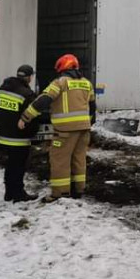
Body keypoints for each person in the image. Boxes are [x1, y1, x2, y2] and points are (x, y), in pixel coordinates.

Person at [19, 53, 96, 200]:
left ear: (62, 67)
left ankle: (60, 193)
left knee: (59, 160)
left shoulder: (60, 83)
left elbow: (44, 100)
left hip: (65, 131)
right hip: (84, 130)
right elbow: (92, 107)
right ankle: (78, 190)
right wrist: (88, 123)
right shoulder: (87, 83)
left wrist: (25, 117)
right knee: (79, 159)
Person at [0, 64, 38, 202]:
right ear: (29, 77)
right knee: (19, 166)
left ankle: (9, 192)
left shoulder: (3, 89)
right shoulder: (27, 94)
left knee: (10, 165)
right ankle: (18, 193)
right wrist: (32, 132)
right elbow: (33, 117)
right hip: (19, 138)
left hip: (4, 136)